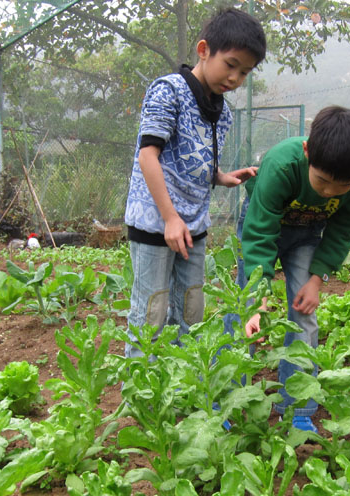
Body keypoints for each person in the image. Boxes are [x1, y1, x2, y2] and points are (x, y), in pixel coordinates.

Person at [123, 8, 266, 359]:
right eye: (230, 65)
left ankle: (183, 387)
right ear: (204, 50)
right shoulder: (168, 91)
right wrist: (170, 217)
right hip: (156, 221)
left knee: (191, 310)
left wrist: (223, 177)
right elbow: (148, 156)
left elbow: (197, 162)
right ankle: (145, 398)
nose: (235, 78)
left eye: (244, 72)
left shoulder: (223, 111)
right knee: (151, 313)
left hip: (193, 226)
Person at [234, 106, 350, 432]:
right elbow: (260, 232)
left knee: (304, 316)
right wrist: (259, 297)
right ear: (306, 152)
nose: (328, 192)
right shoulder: (282, 164)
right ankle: (229, 400)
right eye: (322, 181)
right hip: (263, 225)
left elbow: (344, 228)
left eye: (341, 187)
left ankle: (298, 407)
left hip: (307, 236)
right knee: (245, 312)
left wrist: (316, 279)